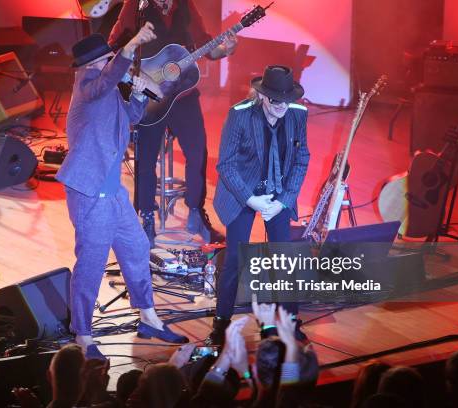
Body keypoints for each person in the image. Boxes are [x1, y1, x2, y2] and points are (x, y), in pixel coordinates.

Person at [56, 23, 188, 360]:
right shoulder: (87, 86)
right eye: (110, 60)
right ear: (91, 66)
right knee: (92, 263)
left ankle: (148, 317)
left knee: (137, 247)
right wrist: (130, 47)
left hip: (113, 193)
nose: (115, 64)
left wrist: (141, 93)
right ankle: (83, 334)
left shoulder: (106, 88)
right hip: (90, 193)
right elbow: (106, 82)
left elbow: (129, 117)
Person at [109, 0, 237, 247]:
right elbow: (114, 44)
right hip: (147, 91)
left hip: (182, 93)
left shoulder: (185, 5)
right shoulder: (136, 5)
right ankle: (146, 217)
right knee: (145, 161)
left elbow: (207, 47)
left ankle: (196, 213)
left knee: (198, 152)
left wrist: (226, 49)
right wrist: (135, 77)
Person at [207, 65, 311, 345]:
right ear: (264, 96)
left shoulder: (298, 113)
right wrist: (251, 199)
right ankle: (221, 323)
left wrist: (284, 201)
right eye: (276, 101)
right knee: (235, 260)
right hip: (243, 190)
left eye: (287, 101)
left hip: (278, 193)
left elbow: (302, 159)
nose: (282, 107)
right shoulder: (240, 115)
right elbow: (225, 164)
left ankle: (288, 320)